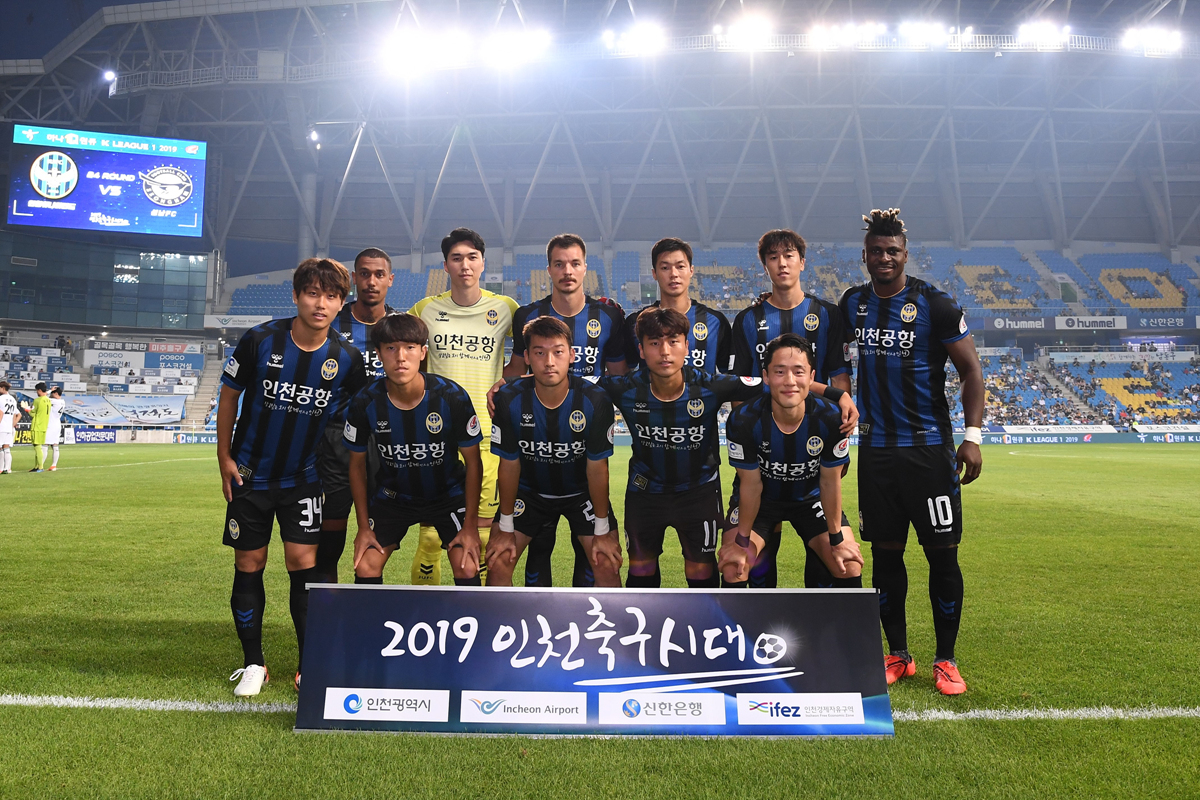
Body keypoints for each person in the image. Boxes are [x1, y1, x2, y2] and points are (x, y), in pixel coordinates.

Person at [596, 308, 855, 588]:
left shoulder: (710, 384)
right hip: (645, 493)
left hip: (698, 493)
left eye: (673, 342)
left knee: (701, 573)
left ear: (686, 347)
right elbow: (574, 381)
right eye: (655, 343)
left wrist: (837, 394)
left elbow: (782, 382)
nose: (665, 352)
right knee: (641, 571)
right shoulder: (624, 387)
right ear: (641, 350)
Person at [839, 208, 984, 697]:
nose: (884, 258)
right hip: (877, 454)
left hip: (928, 453)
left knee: (942, 558)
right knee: (885, 558)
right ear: (864, 256)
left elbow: (971, 372)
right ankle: (898, 654)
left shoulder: (935, 305)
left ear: (906, 254)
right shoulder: (853, 304)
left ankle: (946, 659)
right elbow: (826, 350)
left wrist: (972, 436)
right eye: (876, 251)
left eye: (893, 251)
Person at [217, 258, 367, 698]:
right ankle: (253, 663)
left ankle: (309, 666)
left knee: (304, 565)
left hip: (304, 478)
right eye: (313, 293)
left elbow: (361, 414)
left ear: (341, 302)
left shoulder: (347, 358)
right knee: (249, 564)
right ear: (297, 295)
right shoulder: (260, 339)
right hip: (249, 477)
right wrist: (223, 457)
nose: (321, 304)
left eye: (332, 296)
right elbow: (229, 397)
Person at [730, 230, 853, 588]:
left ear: (802, 262)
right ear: (765, 265)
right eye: (773, 257)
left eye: (789, 256)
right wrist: (753, 433)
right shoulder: (747, 320)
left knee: (831, 555)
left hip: (816, 443)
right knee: (754, 557)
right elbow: (743, 389)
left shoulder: (827, 314)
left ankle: (817, 618)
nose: (782, 264)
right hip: (765, 450)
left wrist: (840, 415)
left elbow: (839, 377)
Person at [506, 233, 627, 588]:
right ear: (548, 270)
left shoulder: (609, 315)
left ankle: (592, 618)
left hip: (585, 438)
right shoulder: (528, 315)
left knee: (592, 555)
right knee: (539, 545)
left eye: (575, 263)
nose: (567, 271)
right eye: (559, 264)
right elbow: (517, 371)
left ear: (586, 267)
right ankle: (533, 618)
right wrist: (502, 387)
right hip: (538, 442)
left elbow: (618, 376)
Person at [408, 229, 518, 586]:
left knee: (481, 536)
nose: (465, 265)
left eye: (472, 257)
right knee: (430, 537)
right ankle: (427, 611)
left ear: (483, 263)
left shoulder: (506, 308)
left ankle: (477, 611)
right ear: (445, 266)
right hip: (436, 439)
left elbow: (531, 351)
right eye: (456, 258)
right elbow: (405, 358)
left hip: (487, 438)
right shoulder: (425, 309)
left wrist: (508, 382)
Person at [345, 314, 484, 586]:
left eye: (409, 347)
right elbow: (356, 466)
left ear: (423, 352)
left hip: (447, 496)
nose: (401, 357)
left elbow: (473, 463)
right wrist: (363, 527)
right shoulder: (365, 401)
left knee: (467, 566)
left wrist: (470, 526)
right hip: (393, 498)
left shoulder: (452, 396)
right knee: (366, 565)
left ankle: (468, 616)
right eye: (391, 348)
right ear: (378, 354)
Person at [719, 334, 864, 588]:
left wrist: (837, 539)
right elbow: (751, 485)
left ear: (811, 376)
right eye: (779, 372)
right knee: (734, 567)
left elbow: (830, 482)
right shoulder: (743, 419)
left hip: (810, 500)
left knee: (848, 564)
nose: (789, 381)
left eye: (798, 372)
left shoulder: (831, 418)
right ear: (766, 377)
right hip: (762, 502)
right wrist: (741, 543)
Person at [487, 317, 622, 588]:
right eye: (539, 353)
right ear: (527, 357)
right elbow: (509, 465)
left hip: (580, 495)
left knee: (607, 563)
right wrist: (505, 527)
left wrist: (602, 530)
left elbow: (597, 469)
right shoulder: (509, 398)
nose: (549, 361)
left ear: (571, 355)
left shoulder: (595, 400)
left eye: (558, 352)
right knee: (498, 561)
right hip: (530, 494)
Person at [314, 246, 397, 584]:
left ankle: (367, 607)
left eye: (379, 275)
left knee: (376, 537)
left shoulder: (400, 326)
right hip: (335, 441)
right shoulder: (331, 321)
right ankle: (327, 609)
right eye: (364, 274)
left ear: (390, 280)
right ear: (353, 279)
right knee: (330, 534)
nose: (371, 282)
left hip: (385, 444)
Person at [622, 237, 732, 374]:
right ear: (654, 273)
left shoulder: (716, 322)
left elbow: (729, 375)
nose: (673, 274)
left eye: (680, 267)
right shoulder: (636, 322)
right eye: (665, 268)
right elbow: (624, 372)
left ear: (691, 271)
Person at [29, 383, 51, 473]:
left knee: (37, 446)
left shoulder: (37, 400)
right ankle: (36, 466)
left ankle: (40, 467)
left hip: (37, 426)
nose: (36, 392)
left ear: (39, 390)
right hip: (44, 426)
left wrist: (27, 409)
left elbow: (33, 414)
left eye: (37, 391)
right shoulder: (48, 400)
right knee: (37, 446)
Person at [43, 387, 64, 471]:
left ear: (55, 394)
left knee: (45, 445)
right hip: (57, 424)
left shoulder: (54, 401)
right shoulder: (62, 401)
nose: (50, 395)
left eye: (52, 393)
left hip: (51, 425)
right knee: (55, 445)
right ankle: (54, 465)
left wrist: (49, 390)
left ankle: (40, 465)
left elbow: (43, 397)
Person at [0, 381, 18, 474]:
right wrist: (13, 424)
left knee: (0, 448)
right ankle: (8, 468)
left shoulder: (1, 399)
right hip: (9, 427)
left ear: (3, 388)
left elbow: (1, 413)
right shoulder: (13, 399)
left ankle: (1, 468)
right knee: (6, 448)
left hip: (2, 426)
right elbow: (16, 414)